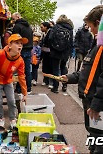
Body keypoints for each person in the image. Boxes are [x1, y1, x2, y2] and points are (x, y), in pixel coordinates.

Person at [61, 5, 103, 153]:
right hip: (90, 101)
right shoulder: (96, 45)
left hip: (96, 105)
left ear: (99, 23)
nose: (90, 29)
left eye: (91, 26)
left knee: (99, 138)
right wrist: (69, 77)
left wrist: (97, 105)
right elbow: (87, 71)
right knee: (93, 134)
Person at [0, 34, 28, 129]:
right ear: (9, 45)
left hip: (8, 80)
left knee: (11, 100)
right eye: (17, 43)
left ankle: (12, 119)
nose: (20, 46)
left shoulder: (20, 60)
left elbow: (22, 76)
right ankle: (0, 119)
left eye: (21, 44)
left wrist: (25, 93)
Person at [49, 14, 74, 93]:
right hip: (65, 52)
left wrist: (52, 47)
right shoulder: (70, 28)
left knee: (55, 69)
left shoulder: (56, 27)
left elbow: (50, 38)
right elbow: (71, 42)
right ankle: (64, 85)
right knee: (63, 67)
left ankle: (55, 87)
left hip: (55, 51)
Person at [12, 12, 33, 94]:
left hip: (21, 50)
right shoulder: (28, 26)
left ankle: (20, 88)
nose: (13, 21)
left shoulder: (17, 26)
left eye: (13, 19)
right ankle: (28, 88)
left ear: (17, 16)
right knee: (27, 70)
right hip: (28, 50)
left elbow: (14, 39)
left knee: (20, 70)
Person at [40, 22, 53, 88]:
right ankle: (46, 80)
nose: (41, 28)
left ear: (46, 27)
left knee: (50, 67)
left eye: (42, 27)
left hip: (49, 53)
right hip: (45, 52)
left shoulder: (50, 33)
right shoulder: (45, 33)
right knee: (45, 66)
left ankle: (50, 81)